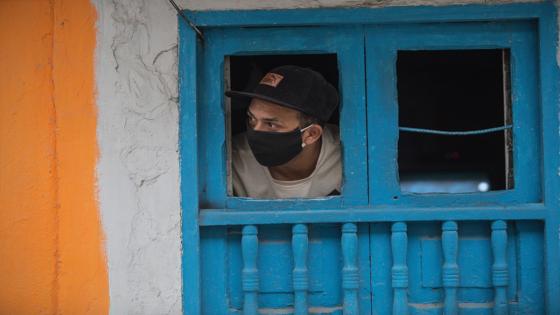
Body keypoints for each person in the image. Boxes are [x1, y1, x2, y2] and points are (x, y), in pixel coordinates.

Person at [225, 65, 341, 199]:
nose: (255, 130)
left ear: (311, 134)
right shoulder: (231, 160)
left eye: (270, 124)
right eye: (251, 118)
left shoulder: (348, 157)